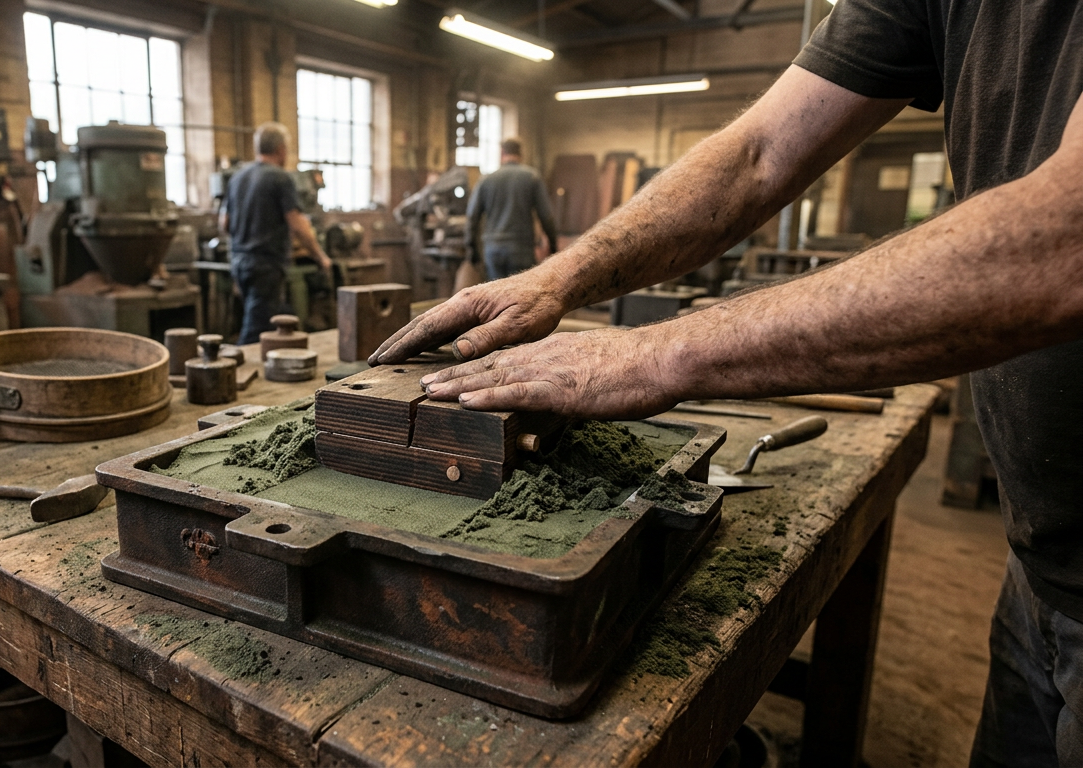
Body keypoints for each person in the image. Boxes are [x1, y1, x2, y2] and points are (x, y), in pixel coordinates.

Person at [369, 1, 1083, 763]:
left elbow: (1065, 237)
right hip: (1039, 550)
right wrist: (555, 280)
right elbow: (759, 152)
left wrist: (650, 354)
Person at [220, 122, 332, 345]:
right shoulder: (281, 178)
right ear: (281, 149)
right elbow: (298, 224)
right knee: (256, 330)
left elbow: (224, 223)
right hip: (266, 265)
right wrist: (321, 257)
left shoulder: (237, 178)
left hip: (239, 262)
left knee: (270, 315)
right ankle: (237, 371)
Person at [464, 138, 558, 280]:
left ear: (502, 153)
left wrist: (472, 250)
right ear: (521, 153)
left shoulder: (486, 180)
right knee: (522, 297)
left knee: (496, 296)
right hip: (521, 248)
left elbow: (472, 217)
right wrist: (553, 246)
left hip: (493, 249)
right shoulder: (532, 177)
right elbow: (546, 216)